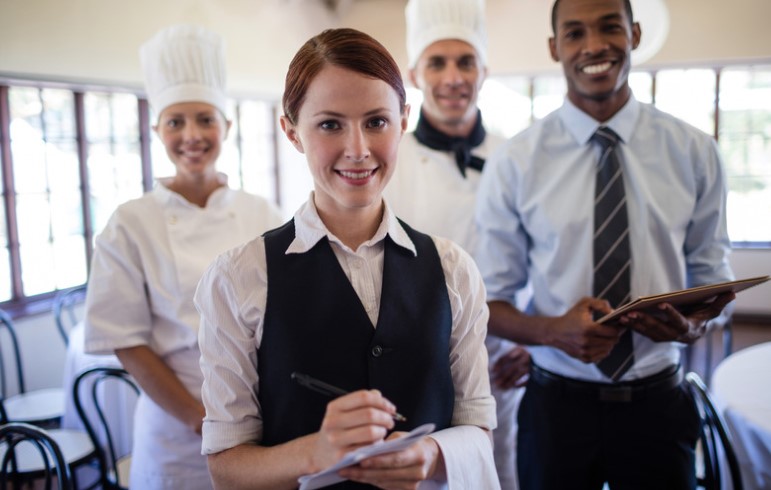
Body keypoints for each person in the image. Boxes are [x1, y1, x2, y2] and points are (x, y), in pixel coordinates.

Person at [195, 27, 500, 489]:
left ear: (403, 122)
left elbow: (477, 428)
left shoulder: (454, 269)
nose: (357, 150)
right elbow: (226, 467)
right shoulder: (239, 277)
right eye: (330, 124)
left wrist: (432, 453)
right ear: (292, 131)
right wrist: (312, 453)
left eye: (376, 121)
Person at [474, 0, 736, 488]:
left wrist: (693, 327)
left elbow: (713, 279)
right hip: (556, 411)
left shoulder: (695, 151)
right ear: (555, 48)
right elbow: (488, 301)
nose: (594, 46)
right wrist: (552, 331)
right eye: (574, 33)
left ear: (634, 34)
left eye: (609, 27)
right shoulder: (514, 162)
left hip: (660, 404)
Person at [83, 24, 284, 489]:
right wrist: (201, 420)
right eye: (175, 121)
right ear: (157, 130)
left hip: (264, 414)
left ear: (226, 126)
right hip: (176, 425)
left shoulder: (262, 211)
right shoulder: (130, 222)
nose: (191, 135)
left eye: (205, 119)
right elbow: (129, 343)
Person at [384, 0, 529, 487]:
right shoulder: (389, 159)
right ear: (415, 74)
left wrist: (536, 345)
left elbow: (542, 255)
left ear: (484, 71)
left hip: (499, 357)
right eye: (437, 62)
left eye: (465, 61)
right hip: (411, 359)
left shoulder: (513, 154)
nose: (452, 77)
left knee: (495, 468)